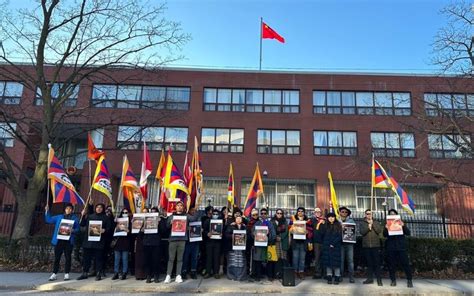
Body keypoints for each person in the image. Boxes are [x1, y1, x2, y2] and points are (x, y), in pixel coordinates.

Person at [77, 203, 113, 281]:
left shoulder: (106, 218)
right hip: (88, 241)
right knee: (86, 258)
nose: (99, 208)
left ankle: (98, 273)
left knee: (98, 259)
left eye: (100, 207)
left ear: (103, 209)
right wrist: (83, 215)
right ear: (95, 208)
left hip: (99, 242)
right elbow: (82, 224)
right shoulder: (90, 216)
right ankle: (85, 273)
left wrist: (105, 230)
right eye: (97, 207)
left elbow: (109, 229)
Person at [45, 203, 80, 281]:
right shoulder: (59, 217)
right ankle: (54, 273)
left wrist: (74, 230)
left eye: (70, 209)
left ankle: (66, 274)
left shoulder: (75, 218)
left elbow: (78, 229)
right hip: (59, 240)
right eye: (67, 208)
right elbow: (49, 220)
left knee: (68, 257)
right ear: (65, 209)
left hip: (68, 241)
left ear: (72, 210)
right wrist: (47, 211)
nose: (68, 210)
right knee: (57, 257)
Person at [383, 209, 413, 288]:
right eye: (391, 214)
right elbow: (384, 235)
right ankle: (393, 280)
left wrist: (403, 226)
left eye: (394, 214)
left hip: (401, 247)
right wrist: (386, 228)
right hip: (391, 247)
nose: (392, 215)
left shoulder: (401, 223)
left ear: (396, 215)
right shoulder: (387, 223)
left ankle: (409, 280)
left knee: (406, 264)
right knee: (391, 265)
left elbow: (408, 233)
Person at [164, 201, 187, 284]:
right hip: (173, 240)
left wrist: (196, 207)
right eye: (178, 205)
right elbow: (166, 227)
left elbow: (194, 219)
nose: (180, 207)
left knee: (180, 259)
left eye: (181, 205)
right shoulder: (171, 216)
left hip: (182, 240)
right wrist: (170, 224)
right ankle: (168, 275)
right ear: (175, 207)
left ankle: (178, 275)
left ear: (183, 207)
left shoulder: (186, 216)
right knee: (171, 258)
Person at [250, 208, 276, 282]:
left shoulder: (270, 223)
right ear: (260, 215)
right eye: (262, 213)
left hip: (267, 244)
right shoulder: (257, 223)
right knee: (258, 260)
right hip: (258, 245)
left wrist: (268, 235)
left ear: (267, 214)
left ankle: (270, 276)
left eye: (265, 213)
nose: (263, 215)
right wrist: (254, 234)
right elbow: (252, 232)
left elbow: (273, 235)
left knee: (269, 260)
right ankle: (258, 276)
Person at [142, 207, 167, 283]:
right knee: (147, 260)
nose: (153, 213)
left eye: (155, 212)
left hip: (156, 243)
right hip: (147, 242)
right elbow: (140, 231)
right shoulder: (146, 219)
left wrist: (159, 223)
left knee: (156, 260)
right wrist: (142, 229)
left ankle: (156, 276)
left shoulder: (160, 220)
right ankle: (149, 276)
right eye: (152, 211)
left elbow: (164, 231)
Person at [360, 209, 383, 286]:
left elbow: (379, 231)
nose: (368, 215)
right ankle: (370, 278)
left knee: (377, 263)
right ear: (365, 214)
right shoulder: (362, 223)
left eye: (370, 214)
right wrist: (368, 228)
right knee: (369, 263)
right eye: (367, 214)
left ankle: (379, 279)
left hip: (375, 245)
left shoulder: (376, 222)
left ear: (372, 214)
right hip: (366, 246)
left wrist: (372, 224)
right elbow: (362, 232)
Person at [289, 207, 313, 280]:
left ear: (304, 212)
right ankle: (295, 272)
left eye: (302, 211)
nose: (300, 212)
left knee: (302, 258)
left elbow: (311, 230)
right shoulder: (293, 220)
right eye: (299, 211)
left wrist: (307, 232)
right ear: (297, 212)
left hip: (304, 242)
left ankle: (301, 272)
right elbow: (289, 229)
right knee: (295, 257)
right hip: (295, 242)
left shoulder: (307, 221)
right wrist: (292, 230)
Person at [225, 209, 247, 281]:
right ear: (235, 219)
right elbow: (226, 235)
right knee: (232, 262)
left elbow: (249, 236)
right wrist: (231, 236)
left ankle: (241, 276)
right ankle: (232, 276)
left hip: (241, 248)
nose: (238, 219)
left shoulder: (244, 227)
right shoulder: (231, 226)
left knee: (241, 262)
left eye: (240, 218)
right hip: (233, 248)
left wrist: (246, 237)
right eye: (237, 218)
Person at [320, 212, 342, 285]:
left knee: (336, 262)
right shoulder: (325, 225)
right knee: (328, 262)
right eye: (329, 217)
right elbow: (322, 235)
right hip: (327, 246)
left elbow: (339, 236)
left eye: (332, 217)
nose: (331, 218)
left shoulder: (338, 225)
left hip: (336, 247)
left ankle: (337, 277)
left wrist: (333, 243)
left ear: (335, 218)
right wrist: (321, 224)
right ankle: (329, 276)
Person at [203, 208, 224, 279]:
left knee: (216, 257)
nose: (215, 215)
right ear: (211, 214)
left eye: (216, 214)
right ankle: (208, 272)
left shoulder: (221, 222)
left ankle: (216, 273)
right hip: (209, 241)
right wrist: (207, 234)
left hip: (218, 242)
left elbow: (223, 231)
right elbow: (203, 230)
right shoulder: (207, 221)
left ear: (218, 215)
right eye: (214, 214)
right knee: (209, 257)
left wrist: (222, 234)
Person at [181, 207, 201, 280]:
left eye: (195, 210)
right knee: (185, 257)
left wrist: (201, 229)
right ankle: (184, 272)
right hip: (187, 241)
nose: (194, 211)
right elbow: (192, 219)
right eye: (192, 210)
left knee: (194, 257)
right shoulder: (186, 216)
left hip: (196, 240)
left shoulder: (198, 217)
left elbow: (199, 224)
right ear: (189, 210)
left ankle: (193, 271)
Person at [112, 208, 131, 280]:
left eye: (126, 212)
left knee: (125, 258)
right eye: (123, 212)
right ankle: (116, 273)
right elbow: (112, 230)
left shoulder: (130, 221)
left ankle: (124, 273)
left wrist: (128, 230)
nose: (125, 213)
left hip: (125, 242)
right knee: (117, 258)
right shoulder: (117, 220)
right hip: (118, 242)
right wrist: (115, 222)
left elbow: (133, 232)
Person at [270, 208, 289, 280]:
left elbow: (286, 231)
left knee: (283, 257)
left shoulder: (285, 221)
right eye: (278, 213)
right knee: (276, 258)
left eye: (280, 213)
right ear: (276, 213)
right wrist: (276, 237)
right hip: (275, 242)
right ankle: (276, 273)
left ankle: (283, 274)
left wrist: (281, 237)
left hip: (283, 241)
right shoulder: (272, 221)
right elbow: (271, 230)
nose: (279, 214)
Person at [339, 206, 355, 283]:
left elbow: (355, 231)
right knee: (341, 260)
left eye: (346, 212)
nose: (344, 213)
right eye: (342, 211)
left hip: (349, 243)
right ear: (339, 212)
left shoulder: (351, 221)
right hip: (340, 243)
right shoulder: (337, 221)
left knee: (350, 261)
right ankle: (340, 276)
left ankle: (351, 276)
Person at [311, 207, 325, 279]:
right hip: (316, 242)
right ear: (314, 213)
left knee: (324, 257)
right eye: (316, 212)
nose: (317, 213)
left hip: (324, 241)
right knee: (317, 258)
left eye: (319, 212)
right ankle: (318, 273)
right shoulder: (312, 220)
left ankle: (325, 273)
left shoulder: (325, 220)